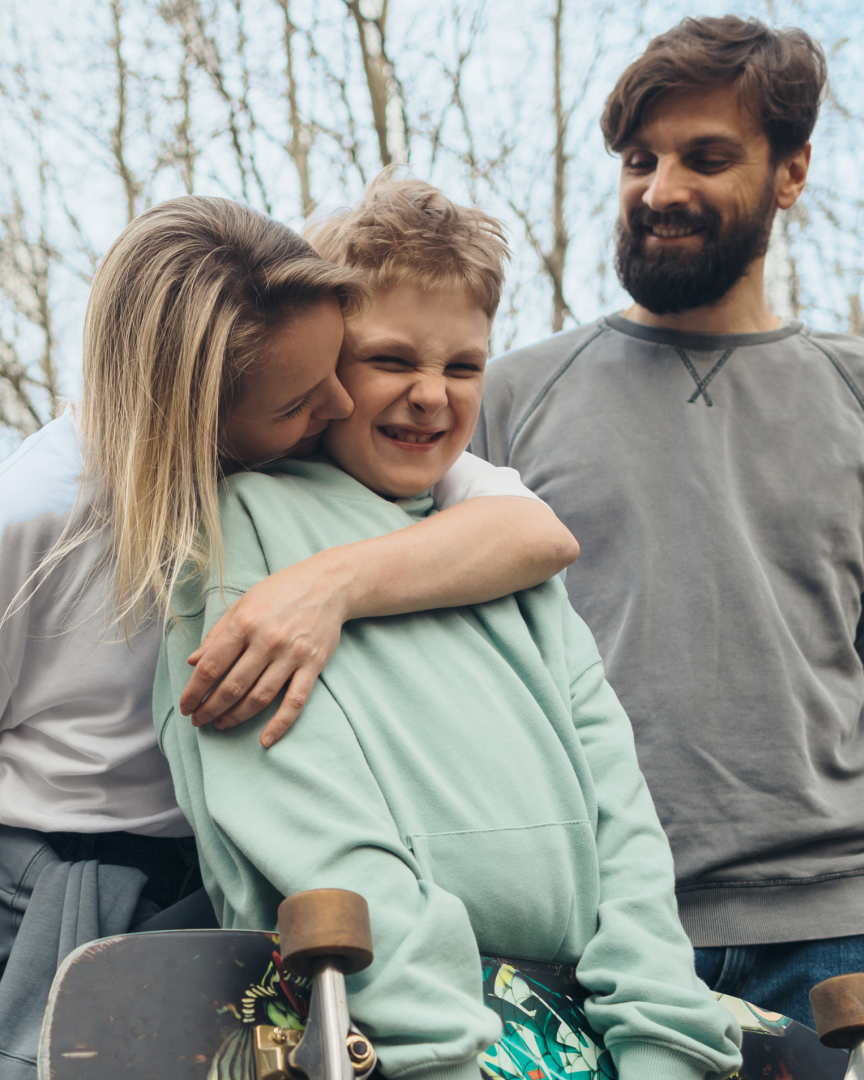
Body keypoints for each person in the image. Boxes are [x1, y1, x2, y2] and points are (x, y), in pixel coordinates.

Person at [0, 197, 578, 1080]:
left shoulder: (297, 463)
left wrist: (327, 585)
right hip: (40, 900)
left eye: (336, 372)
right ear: (196, 412)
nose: (339, 403)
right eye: (304, 399)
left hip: (218, 885)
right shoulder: (35, 512)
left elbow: (537, 535)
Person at [155, 174, 743, 1080]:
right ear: (324, 372)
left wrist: (665, 1042)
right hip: (389, 1033)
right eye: (391, 360)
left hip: (586, 1029)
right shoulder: (243, 530)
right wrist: (437, 1050)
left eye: (463, 367)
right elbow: (308, 827)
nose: (432, 395)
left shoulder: (508, 558)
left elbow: (622, 820)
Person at [470, 16, 864, 1080]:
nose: (661, 188)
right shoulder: (511, 393)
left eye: (707, 157)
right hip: (581, 931)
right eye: (640, 160)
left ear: (792, 173)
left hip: (828, 934)